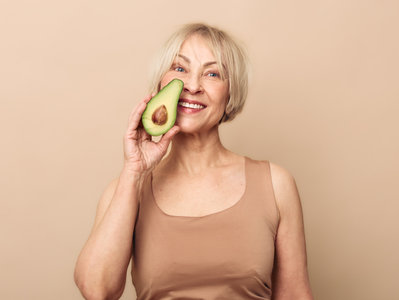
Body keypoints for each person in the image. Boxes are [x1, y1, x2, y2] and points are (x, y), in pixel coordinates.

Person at [74, 23, 313, 300]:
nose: (192, 86)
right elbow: (96, 290)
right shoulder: (128, 188)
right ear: (160, 83)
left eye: (212, 73)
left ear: (230, 93)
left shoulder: (276, 184)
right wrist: (133, 171)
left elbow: (295, 294)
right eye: (179, 69)